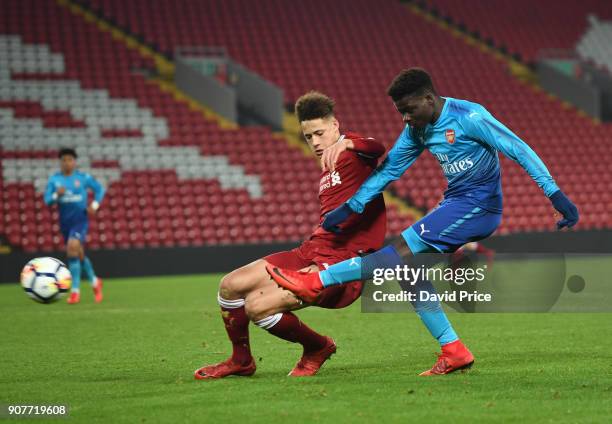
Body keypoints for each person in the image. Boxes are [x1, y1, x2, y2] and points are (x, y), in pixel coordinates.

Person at [267, 68, 579, 375]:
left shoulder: (469, 116)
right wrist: (351, 207)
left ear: (428, 98)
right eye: (400, 112)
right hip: (455, 203)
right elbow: (389, 169)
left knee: (398, 252)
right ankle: (454, 350)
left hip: (479, 208)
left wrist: (554, 193)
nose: (405, 117)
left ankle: (316, 281)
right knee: (409, 271)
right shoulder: (417, 129)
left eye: (409, 109)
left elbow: (518, 149)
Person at [194, 91, 387, 379]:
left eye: (320, 133)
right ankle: (241, 360)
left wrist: (347, 142)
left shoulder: (353, 153)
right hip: (311, 250)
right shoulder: (326, 171)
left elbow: (377, 147)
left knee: (258, 307)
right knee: (230, 286)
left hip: (344, 263)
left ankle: (317, 347)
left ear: (335, 125)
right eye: (309, 137)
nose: (316, 142)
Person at [44, 148, 105, 304]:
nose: (67, 162)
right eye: (64, 160)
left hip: (80, 219)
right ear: (60, 162)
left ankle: (75, 292)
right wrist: (57, 194)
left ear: (74, 161)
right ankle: (95, 281)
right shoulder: (54, 180)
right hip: (65, 222)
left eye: (70, 159)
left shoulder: (82, 178)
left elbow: (100, 189)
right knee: (78, 254)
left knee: (72, 248)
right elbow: (47, 201)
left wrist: (95, 205)